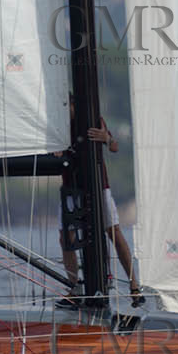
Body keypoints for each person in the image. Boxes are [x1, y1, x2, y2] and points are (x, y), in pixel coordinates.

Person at [60, 105, 143, 306]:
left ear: (73, 104)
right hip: (71, 186)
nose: (67, 109)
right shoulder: (57, 124)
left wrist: (106, 138)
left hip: (99, 185)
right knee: (66, 238)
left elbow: (114, 146)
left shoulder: (92, 117)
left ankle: (134, 286)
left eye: (69, 106)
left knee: (114, 232)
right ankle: (75, 287)